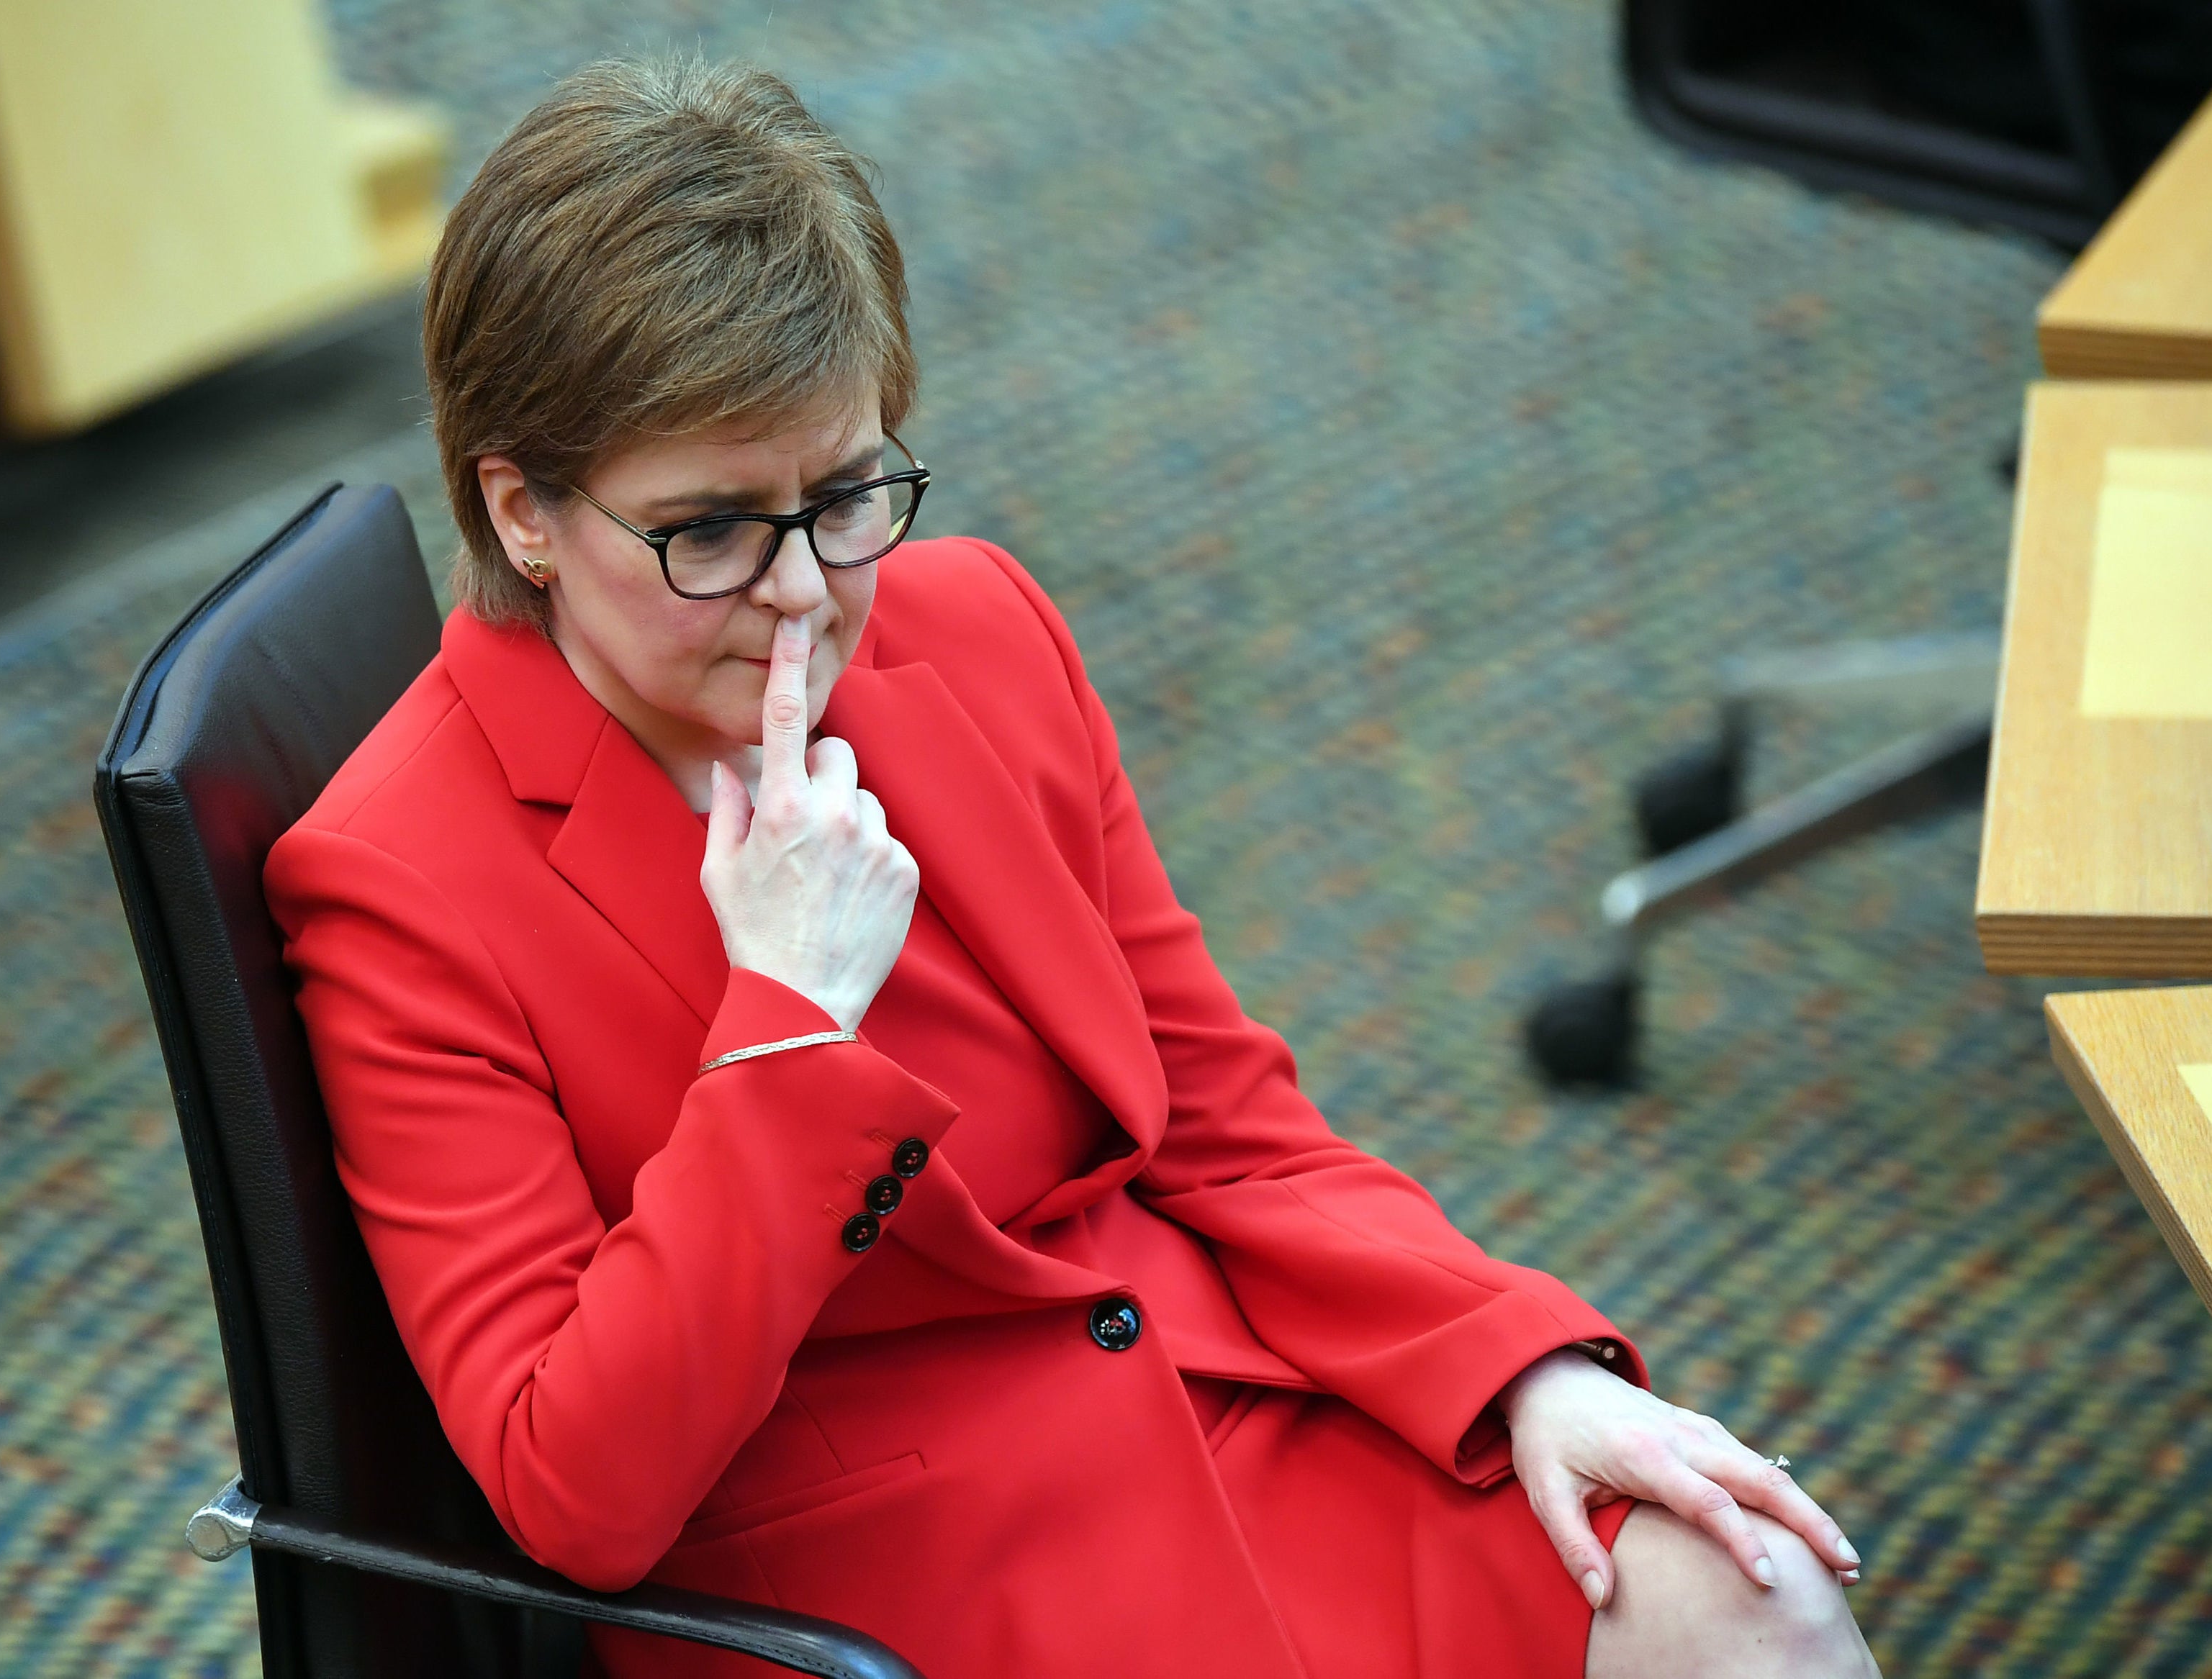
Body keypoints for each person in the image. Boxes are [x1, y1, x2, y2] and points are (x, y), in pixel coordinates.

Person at [264, 55, 1880, 1679]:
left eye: (843, 495)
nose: (807, 592)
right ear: (524, 511)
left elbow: (1231, 1131)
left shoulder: (977, 631)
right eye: (711, 530)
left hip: (1221, 1416)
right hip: (886, 1587)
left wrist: (1530, 1374)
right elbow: (572, 1489)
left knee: (1758, 1605)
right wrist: (784, 1029)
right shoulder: (399, 883)